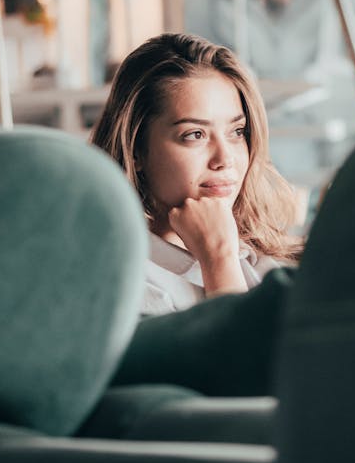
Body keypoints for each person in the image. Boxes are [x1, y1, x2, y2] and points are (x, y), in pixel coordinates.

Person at [91, 32, 302, 318]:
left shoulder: (265, 257)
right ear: (137, 149)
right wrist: (218, 260)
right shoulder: (124, 286)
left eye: (237, 132)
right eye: (195, 135)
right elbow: (242, 362)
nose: (225, 159)